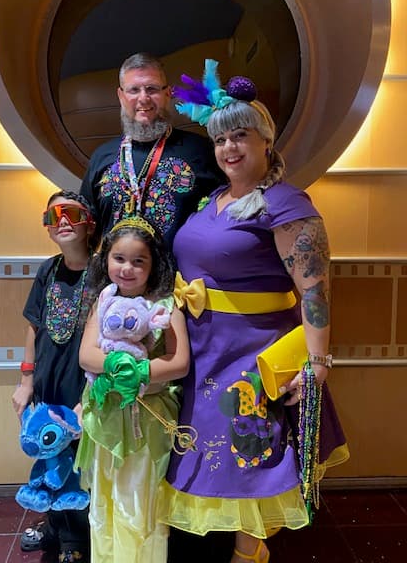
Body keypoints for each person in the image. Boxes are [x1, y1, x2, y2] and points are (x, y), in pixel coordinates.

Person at [159, 60, 349, 563]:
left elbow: (315, 292)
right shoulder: (212, 200)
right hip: (203, 352)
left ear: (266, 141)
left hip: (255, 356)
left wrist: (316, 366)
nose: (229, 149)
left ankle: (249, 557)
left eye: (241, 136)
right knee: (214, 463)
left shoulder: (287, 203)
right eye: (221, 140)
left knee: (251, 464)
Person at [75, 216, 190, 563]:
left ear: (153, 264)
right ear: (106, 259)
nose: (127, 268)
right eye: (119, 259)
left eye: (139, 261)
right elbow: (86, 355)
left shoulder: (167, 307)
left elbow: (179, 361)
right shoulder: (102, 302)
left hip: (148, 422)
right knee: (104, 503)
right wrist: (112, 366)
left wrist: (141, 371)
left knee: (141, 504)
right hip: (105, 420)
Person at [12, 189, 96, 563]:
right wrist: (26, 381)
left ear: (88, 223)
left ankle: (75, 539)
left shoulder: (103, 271)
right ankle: (54, 524)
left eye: (71, 213)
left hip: (82, 388)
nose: (62, 220)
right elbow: (33, 326)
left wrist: (92, 395)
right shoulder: (48, 270)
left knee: (79, 466)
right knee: (48, 459)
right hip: (47, 386)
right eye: (53, 215)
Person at [79, 52, 224, 249]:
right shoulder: (101, 156)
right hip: (116, 278)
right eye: (134, 90)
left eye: (152, 89)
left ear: (167, 94)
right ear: (121, 96)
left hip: (184, 279)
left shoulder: (202, 151)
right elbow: (87, 231)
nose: (143, 98)